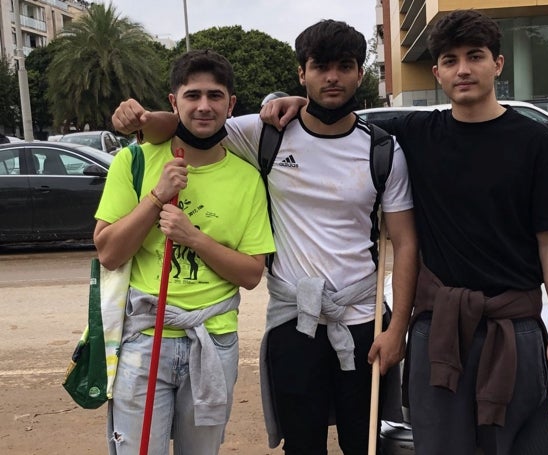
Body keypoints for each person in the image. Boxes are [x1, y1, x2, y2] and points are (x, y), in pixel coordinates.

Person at [261, 9, 548, 455]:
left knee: (511, 445)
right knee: (437, 445)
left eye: (475, 57)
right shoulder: (414, 133)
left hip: (515, 328)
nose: (463, 69)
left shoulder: (535, 142)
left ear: (499, 64)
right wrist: (292, 102)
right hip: (437, 328)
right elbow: (336, 118)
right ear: (437, 72)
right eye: (450, 60)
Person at [111, 20, 418, 455]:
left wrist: (397, 327)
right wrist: (140, 119)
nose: (332, 77)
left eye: (345, 66)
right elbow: (188, 124)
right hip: (294, 321)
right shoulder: (265, 132)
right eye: (320, 67)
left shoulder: (383, 149)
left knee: (363, 442)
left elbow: (405, 244)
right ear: (301, 73)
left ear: (359, 74)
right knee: (303, 444)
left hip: (364, 319)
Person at [94, 49, 275, 455]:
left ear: (231, 104)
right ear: (174, 102)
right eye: (192, 95)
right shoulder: (135, 161)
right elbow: (108, 253)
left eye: (215, 96)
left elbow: (250, 274)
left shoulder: (247, 179)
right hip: (144, 340)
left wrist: (194, 238)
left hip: (214, 341)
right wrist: (157, 196)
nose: (204, 106)